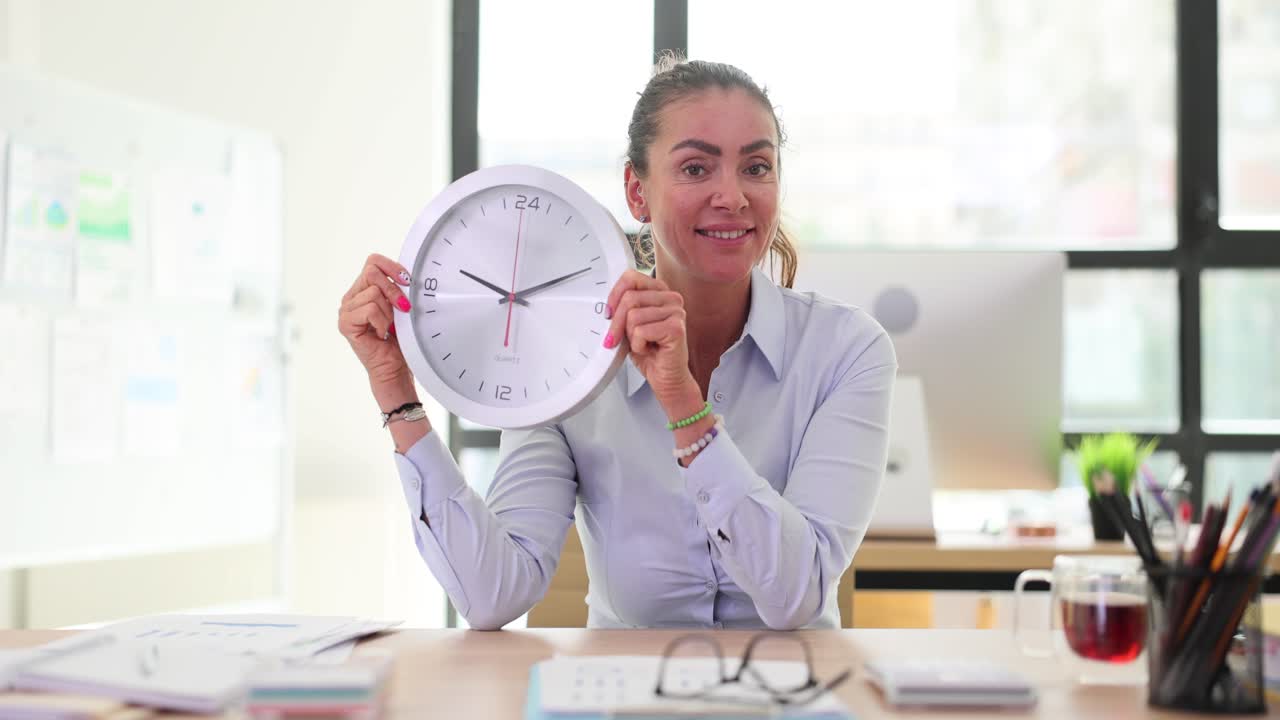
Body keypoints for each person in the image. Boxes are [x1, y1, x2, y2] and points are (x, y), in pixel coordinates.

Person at [337, 56, 897, 630]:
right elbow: (493, 594)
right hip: (622, 696)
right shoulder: (565, 363)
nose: (732, 196)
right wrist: (396, 393)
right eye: (697, 168)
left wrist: (683, 403)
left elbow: (796, 597)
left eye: (757, 167)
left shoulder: (847, 350)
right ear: (637, 191)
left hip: (790, 696)